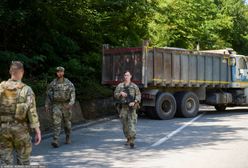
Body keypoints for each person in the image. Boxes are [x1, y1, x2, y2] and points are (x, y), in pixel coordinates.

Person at [0, 61, 41, 165]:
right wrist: (37, 130)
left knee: (5, 162)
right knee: (23, 161)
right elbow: (32, 112)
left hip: (3, 130)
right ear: (22, 72)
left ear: (10, 71)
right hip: (21, 130)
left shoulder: (1, 88)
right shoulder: (27, 89)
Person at [45, 66, 75, 148]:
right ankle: (56, 140)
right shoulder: (53, 83)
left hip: (66, 105)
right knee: (56, 123)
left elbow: (73, 94)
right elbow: (48, 95)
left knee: (67, 123)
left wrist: (71, 103)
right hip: (56, 105)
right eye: (58, 72)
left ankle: (68, 136)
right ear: (56, 73)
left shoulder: (69, 83)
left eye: (61, 71)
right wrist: (47, 104)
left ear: (63, 73)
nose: (59, 73)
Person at [114, 70, 141, 149]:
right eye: (125, 75)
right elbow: (115, 95)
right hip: (124, 108)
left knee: (131, 125)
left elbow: (138, 95)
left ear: (130, 76)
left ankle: (132, 140)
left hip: (132, 108)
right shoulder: (120, 86)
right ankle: (128, 138)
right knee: (125, 126)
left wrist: (134, 102)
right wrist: (120, 94)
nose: (126, 77)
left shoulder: (134, 86)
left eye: (128, 75)